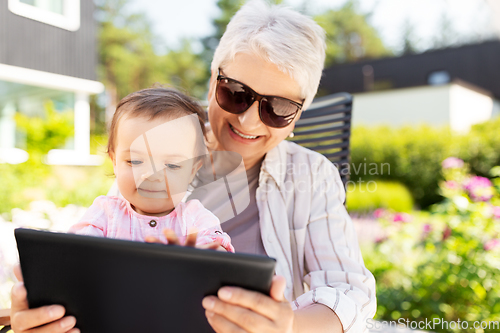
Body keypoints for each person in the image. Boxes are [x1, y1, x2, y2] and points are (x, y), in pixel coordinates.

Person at [9, 1, 376, 332]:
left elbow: (350, 293)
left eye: (277, 108)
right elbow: (97, 252)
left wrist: (289, 327)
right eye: (236, 92)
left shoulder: (311, 176)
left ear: (297, 116)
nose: (248, 121)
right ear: (213, 80)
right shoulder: (160, 143)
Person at [70, 87, 234, 252]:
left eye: (171, 165)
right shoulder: (105, 213)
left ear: (192, 171)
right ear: (114, 162)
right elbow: (74, 252)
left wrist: (201, 255)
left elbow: (221, 255)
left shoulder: (194, 218)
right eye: (135, 161)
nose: (152, 175)